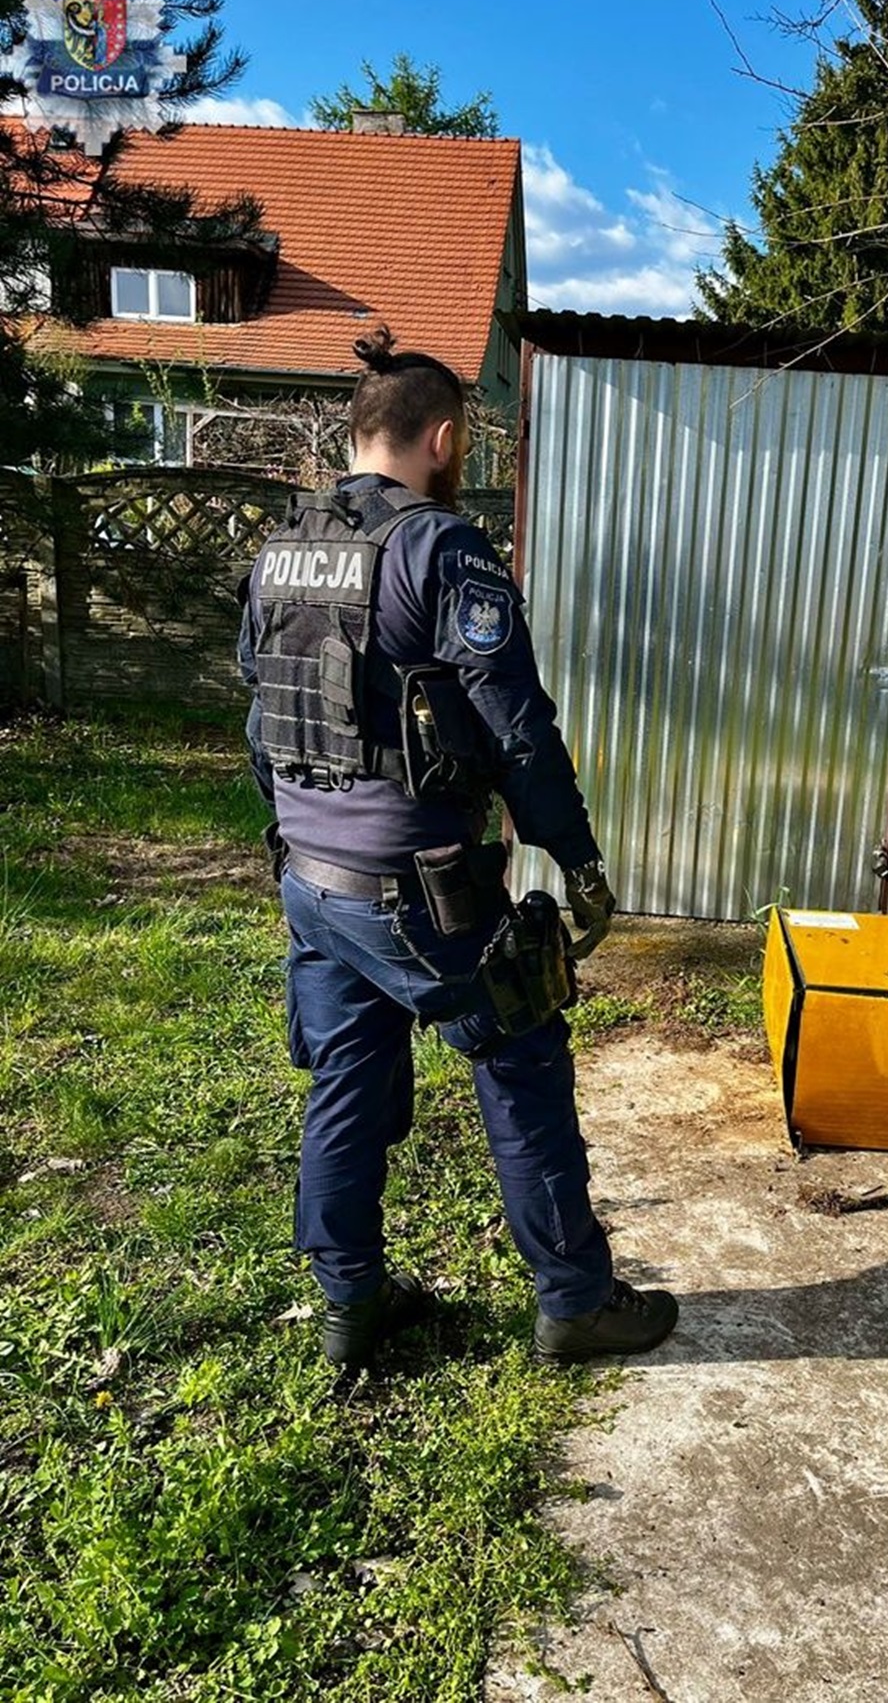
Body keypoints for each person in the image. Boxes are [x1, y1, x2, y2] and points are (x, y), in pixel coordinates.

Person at [238, 326, 678, 1371]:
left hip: (311, 881)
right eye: (463, 441)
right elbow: (515, 725)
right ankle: (575, 1301)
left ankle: (351, 1304)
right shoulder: (442, 548)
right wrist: (575, 856)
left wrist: (296, 834)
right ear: (441, 437)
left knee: (347, 1080)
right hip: (414, 892)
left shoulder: (280, 550)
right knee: (522, 1056)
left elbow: (262, 715)